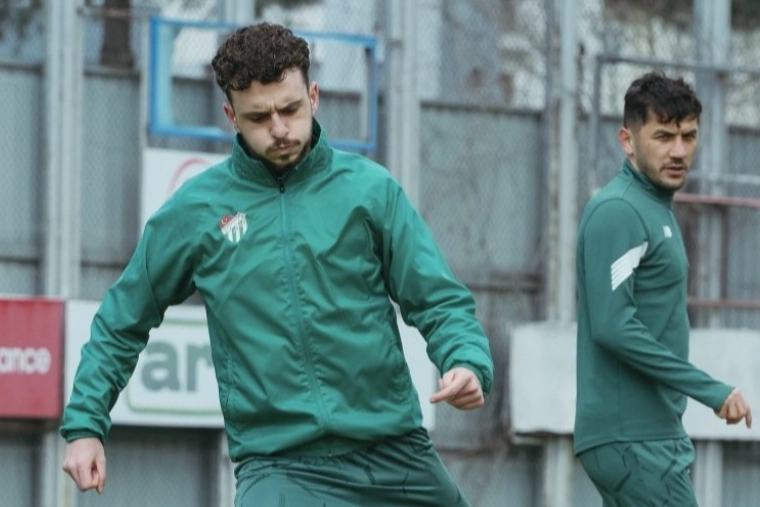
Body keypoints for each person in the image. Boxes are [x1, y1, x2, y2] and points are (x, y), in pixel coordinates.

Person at [60, 22, 493, 507]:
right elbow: (121, 320)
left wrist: (465, 359)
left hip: (395, 455)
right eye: (259, 117)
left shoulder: (370, 191)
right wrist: (85, 425)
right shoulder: (197, 211)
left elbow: (436, 297)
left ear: (314, 96)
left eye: (290, 109)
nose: (280, 128)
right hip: (280, 467)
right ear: (231, 116)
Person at [574, 71, 752, 506]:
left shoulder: (654, 209)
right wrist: (711, 390)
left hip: (649, 435)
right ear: (627, 140)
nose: (679, 151)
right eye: (663, 136)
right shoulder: (619, 210)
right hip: (633, 438)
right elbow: (613, 325)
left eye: (688, 136)